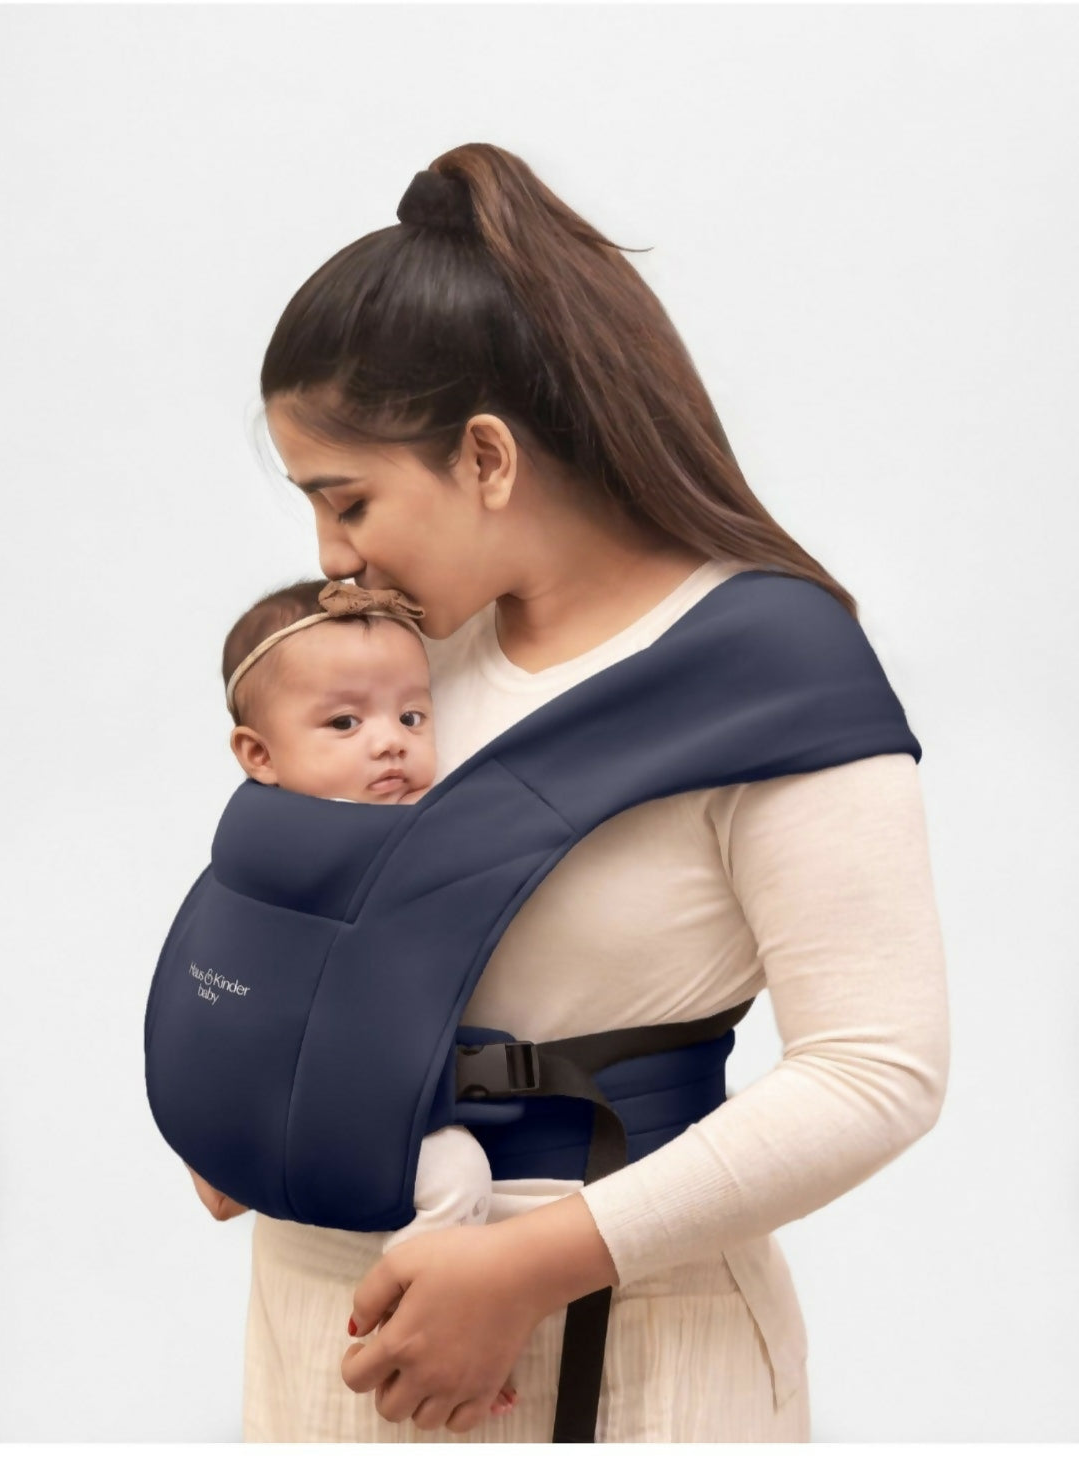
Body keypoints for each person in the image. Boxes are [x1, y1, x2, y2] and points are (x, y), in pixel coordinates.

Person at [227, 143, 949, 1443]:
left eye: (348, 501)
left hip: (621, 1344)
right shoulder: (404, 663)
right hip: (324, 1323)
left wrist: (521, 1265)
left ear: (488, 458)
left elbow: (876, 1069)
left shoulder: (768, 669)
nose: (328, 559)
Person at [186, 574, 521, 1417]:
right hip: (302, 1099)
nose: (391, 743)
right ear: (257, 756)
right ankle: (419, 1323)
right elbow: (212, 992)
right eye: (345, 722)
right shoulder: (279, 854)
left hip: (349, 1093)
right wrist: (213, 1135)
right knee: (458, 1176)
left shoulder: (286, 838)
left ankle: (421, 1310)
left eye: (412, 717)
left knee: (457, 1174)